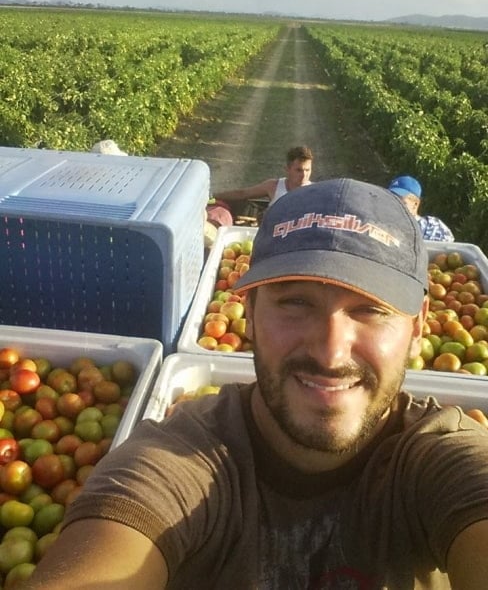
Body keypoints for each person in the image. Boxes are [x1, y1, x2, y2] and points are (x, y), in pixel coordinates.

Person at [26, 179, 488, 590]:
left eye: (370, 310)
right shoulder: (178, 460)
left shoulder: (442, 458)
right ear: (248, 315)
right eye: (295, 303)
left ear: (418, 328)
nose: (330, 353)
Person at [213, 145, 313, 208]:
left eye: (307, 170)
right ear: (287, 169)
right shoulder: (273, 186)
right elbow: (242, 193)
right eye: (299, 170)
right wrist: (212, 196)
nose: (304, 175)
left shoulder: (317, 191)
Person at [388, 174, 455, 241]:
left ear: (415, 204)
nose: (395, 204)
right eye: (391, 199)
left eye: (400, 201)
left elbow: (445, 249)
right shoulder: (383, 222)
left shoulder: (432, 227)